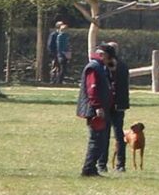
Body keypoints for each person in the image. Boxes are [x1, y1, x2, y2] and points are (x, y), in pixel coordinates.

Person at [77, 43, 115, 177]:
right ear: (103, 55)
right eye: (108, 58)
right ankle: (88, 169)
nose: (108, 62)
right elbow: (92, 90)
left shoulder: (100, 67)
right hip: (95, 110)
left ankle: (91, 168)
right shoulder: (94, 67)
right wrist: (98, 106)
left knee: (101, 140)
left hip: (101, 108)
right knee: (96, 139)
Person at [99, 41, 130, 173]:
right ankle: (120, 164)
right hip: (120, 104)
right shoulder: (123, 65)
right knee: (119, 135)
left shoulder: (107, 66)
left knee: (105, 135)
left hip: (109, 104)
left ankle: (102, 164)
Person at [47, 20, 72, 84]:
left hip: (61, 54)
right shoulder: (54, 34)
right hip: (55, 54)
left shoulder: (64, 35)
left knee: (60, 68)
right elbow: (50, 45)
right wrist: (53, 53)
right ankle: (53, 80)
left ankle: (59, 80)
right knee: (54, 67)